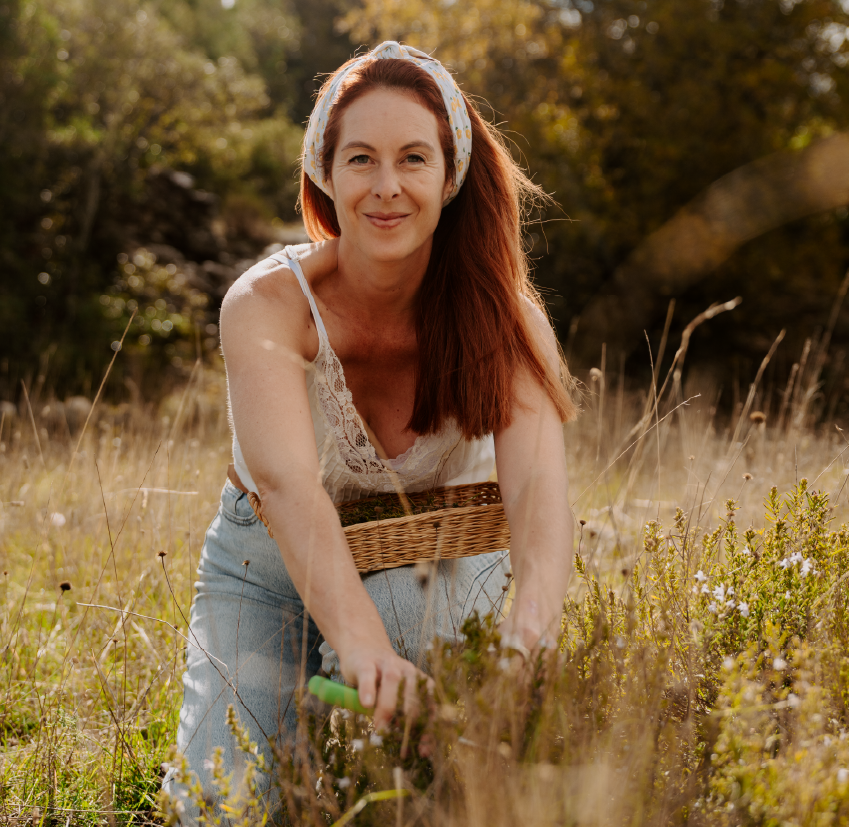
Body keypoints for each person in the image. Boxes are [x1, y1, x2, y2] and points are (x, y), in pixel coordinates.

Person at [162, 41, 576, 820]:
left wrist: (527, 638)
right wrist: (357, 645)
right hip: (265, 559)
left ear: (449, 176)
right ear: (325, 172)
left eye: (413, 158)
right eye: (361, 159)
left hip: (424, 555)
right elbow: (287, 487)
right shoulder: (265, 304)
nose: (386, 186)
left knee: (406, 755)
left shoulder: (507, 317)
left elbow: (536, 491)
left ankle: (371, 761)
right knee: (222, 806)